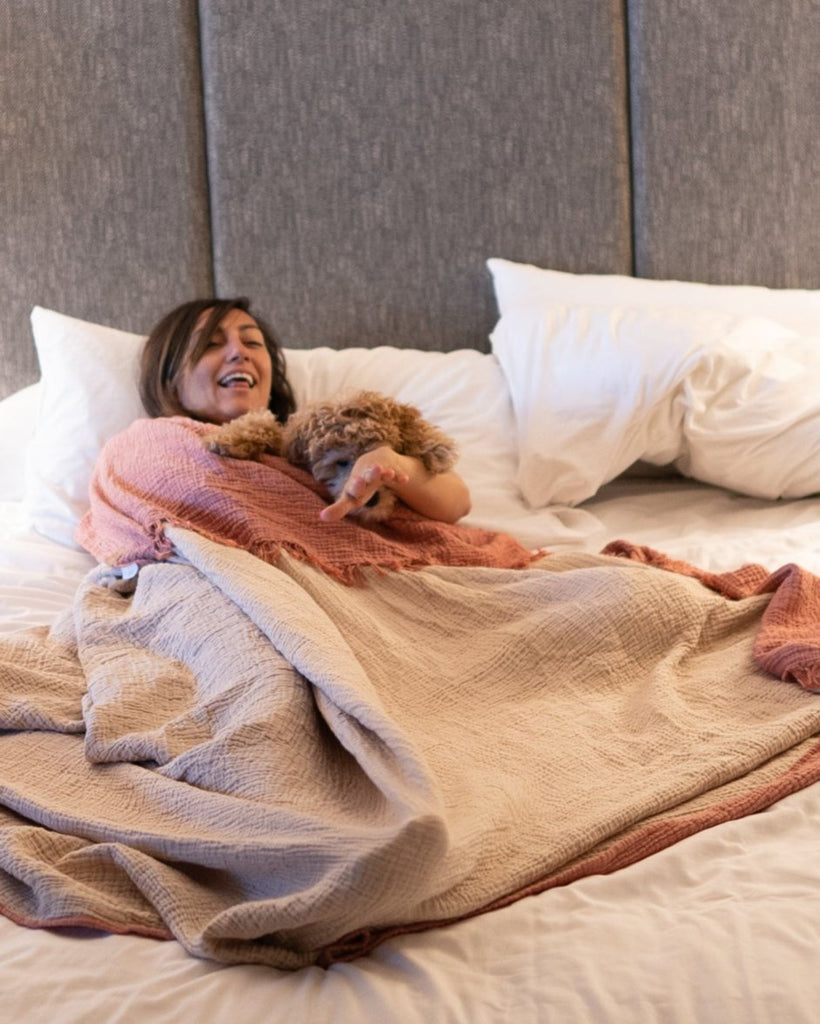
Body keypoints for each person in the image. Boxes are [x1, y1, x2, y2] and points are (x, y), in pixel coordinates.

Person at [139, 297, 471, 524]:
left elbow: (458, 503)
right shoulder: (152, 447)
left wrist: (388, 463)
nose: (239, 353)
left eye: (253, 343)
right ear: (169, 377)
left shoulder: (318, 439)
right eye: (211, 343)